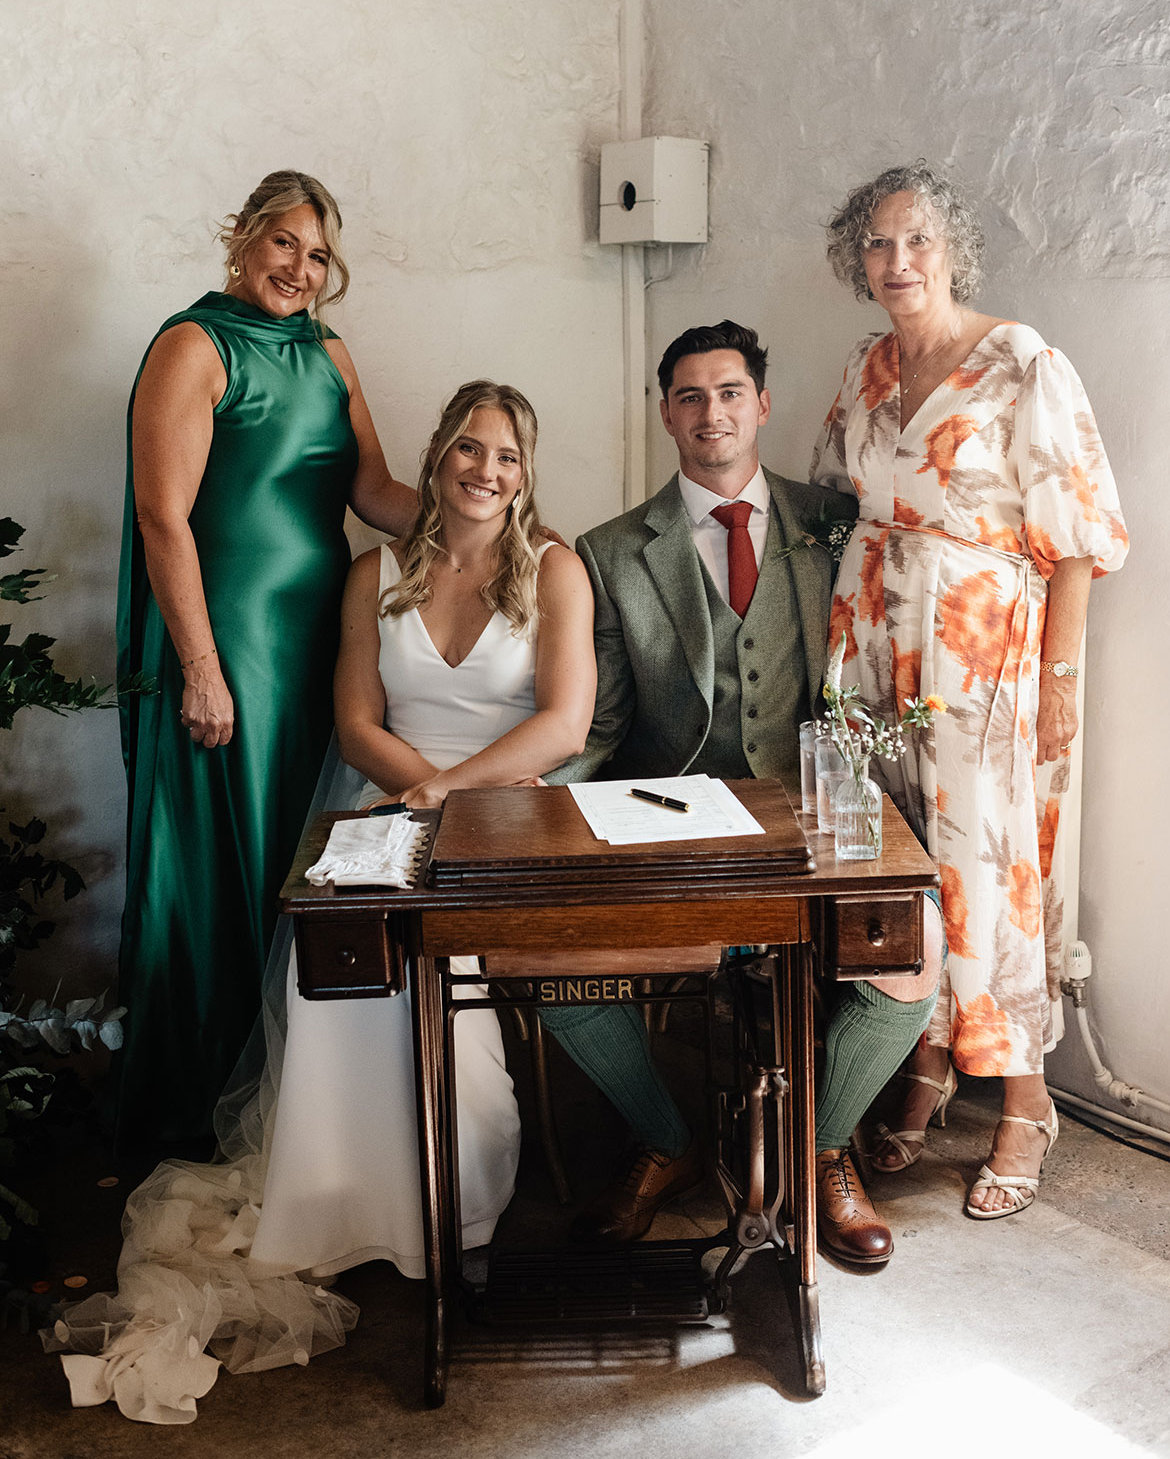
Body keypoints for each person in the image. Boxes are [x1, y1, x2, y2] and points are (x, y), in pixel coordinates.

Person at [44, 380, 597, 1423]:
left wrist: (447, 792)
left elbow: (565, 725)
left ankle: (457, 1221)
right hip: (381, 801)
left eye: (509, 457)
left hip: (501, 818)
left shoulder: (556, 569)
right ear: (437, 460)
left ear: (527, 474)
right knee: (341, 970)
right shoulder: (372, 574)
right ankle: (344, 1213)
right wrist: (411, 794)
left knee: (454, 999)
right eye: (470, 450)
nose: (487, 472)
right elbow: (354, 722)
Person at [548, 320, 945, 1265]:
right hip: (672, 826)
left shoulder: (836, 522)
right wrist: (530, 808)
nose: (712, 412)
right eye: (690, 396)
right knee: (548, 958)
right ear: (665, 415)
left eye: (730, 392)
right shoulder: (611, 551)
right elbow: (598, 725)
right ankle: (668, 1139)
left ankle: (819, 1145)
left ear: (762, 404)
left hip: (818, 818)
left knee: (916, 954)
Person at [812, 162, 1128, 1220]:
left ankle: (1025, 1103)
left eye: (917, 242)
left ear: (952, 251)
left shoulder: (1021, 361)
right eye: (877, 245)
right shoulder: (864, 367)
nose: (898, 263)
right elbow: (835, 497)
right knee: (894, 861)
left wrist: (1062, 680)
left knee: (985, 878)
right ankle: (926, 1062)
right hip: (868, 649)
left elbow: (1077, 539)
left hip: (976, 652)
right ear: (857, 262)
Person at [115, 170, 419, 1153]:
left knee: (304, 861)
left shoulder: (330, 353)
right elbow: (164, 518)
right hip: (229, 645)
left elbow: (371, 490)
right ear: (242, 237)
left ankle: (298, 1100)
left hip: (318, 646)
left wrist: (488, 523)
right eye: (284, 242)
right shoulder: (192, 345)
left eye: (319, 253)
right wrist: (200, 668)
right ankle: (203, 1106)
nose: (301, 267)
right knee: (225, 865)